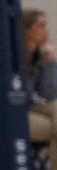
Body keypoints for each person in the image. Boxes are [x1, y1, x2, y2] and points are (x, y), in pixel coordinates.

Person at [24, 9, 52, 146]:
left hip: (34, 104)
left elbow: (49, 93)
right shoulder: (15, 56)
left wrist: (50, 61)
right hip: (17, 109)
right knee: (51, 129)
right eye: (41, 25)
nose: (47, 31)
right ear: (28, 29)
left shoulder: (38, 56)